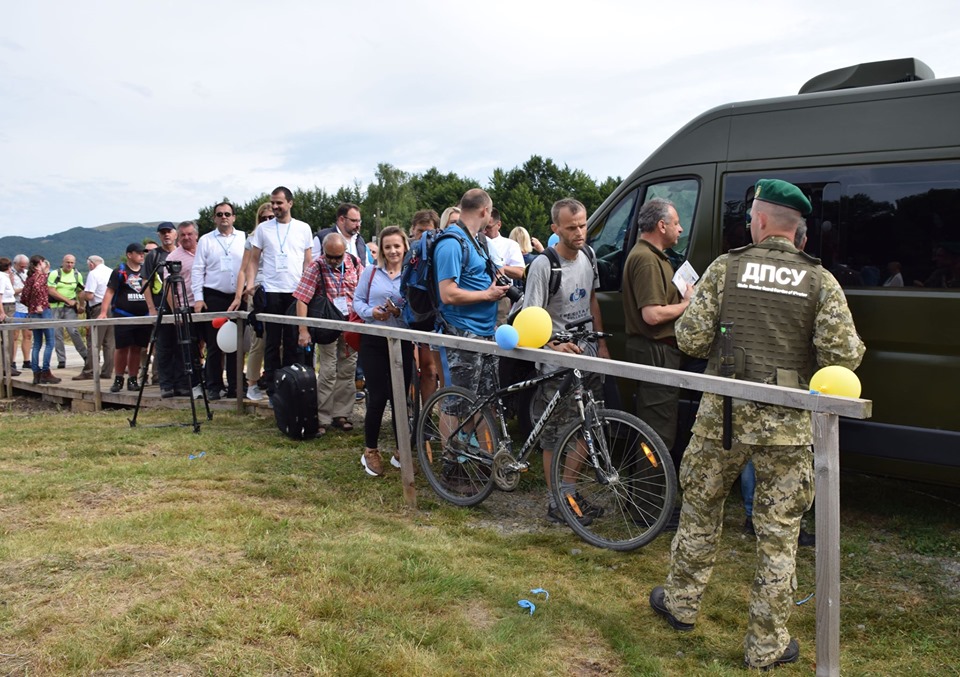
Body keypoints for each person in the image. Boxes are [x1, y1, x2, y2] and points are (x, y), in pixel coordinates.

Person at [649, 179, 866, 671]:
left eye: (752, 217)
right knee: (779, 534)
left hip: (720, 419)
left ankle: (681, 603)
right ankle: (766, 646)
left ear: (761, 221)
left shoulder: (726, 269)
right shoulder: (820, 280)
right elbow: (844, 357)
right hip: (787, 429)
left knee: (701, 513)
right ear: (798, 231)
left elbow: (692, 339)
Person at [522, 198, 608, 523]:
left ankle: (568, 491)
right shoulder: (544, 266)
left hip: (587, 356)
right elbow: (531, 316)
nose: (579, 232)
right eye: (571, 227)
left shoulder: (589, 255)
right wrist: (552, 346)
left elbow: (592, 299)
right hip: (557, 366)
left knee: (590, 427)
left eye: (583, 224)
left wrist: (602, 345)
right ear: (555, 228)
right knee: (555, 436)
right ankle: (556, 503)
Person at [622, 198, 694, 466]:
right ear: (662, 225)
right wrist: (687, 304)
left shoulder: (653, 257)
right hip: (654, 352)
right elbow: (651, 315)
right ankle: (651, 505)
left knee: (657, 428)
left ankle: (651, 501)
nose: (681, 229)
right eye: (676, 223)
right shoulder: (647, 260)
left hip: (658, 351)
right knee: (657, 434)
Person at [352, 225, 414, 475]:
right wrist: (372, 313)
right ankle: (370, 451)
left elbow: (417, 309)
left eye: (397, 246)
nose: (392, 251)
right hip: (374, 340)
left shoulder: (411, 275)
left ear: (404, 247)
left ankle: (402, 452)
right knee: (377, 396)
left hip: (403, 340)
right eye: (387, 246)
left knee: (400, 398)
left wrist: (401, 312)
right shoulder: (370, 272)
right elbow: (357, 301)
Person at [435, 188, 507, 399]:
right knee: (457, 404)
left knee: (484, 402)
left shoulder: (475, 240)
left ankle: (478, 433)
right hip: (462, 333)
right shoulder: (452, 242)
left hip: (483, 332)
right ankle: (454, 434)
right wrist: (488, 295)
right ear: (485, 211)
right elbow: (447, 294)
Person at [244, 187, 313, 390]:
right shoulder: (263, 229)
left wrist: (306, 287)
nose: (275, 206)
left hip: (296, 292)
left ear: (290, 203)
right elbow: (254, 260)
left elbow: (308, 261)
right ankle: (273, 387)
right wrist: (251, 282)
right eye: (273, 202)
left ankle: (291, 384)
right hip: (271, 290)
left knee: (293, 340)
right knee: (272, 340)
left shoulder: (303, 228)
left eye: (279, 203)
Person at [294, 232, 362, 435]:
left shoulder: (355, 263)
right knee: (327, 370)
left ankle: (342, 414)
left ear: (345, 252)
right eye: (329, 256)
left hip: (351, 324)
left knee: (348, 369)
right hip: (326, 325)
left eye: (337, 257)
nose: (333, 261)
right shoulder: (316, 266)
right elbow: (302, 298)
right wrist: (303, 329)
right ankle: (322, 417)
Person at [194, 202, 247, 400]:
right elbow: (198, 269)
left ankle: (235, 386)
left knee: (236, 343)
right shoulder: (206, 240)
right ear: (214, 218)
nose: (224, 217)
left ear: (234, 217)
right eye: (219, 214)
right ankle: (214, 386)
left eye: (227, 214)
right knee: (215, 344)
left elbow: (250, 265)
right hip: (214, 295)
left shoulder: (244, 238)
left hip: (238, 296)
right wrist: (199, 298)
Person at [99, 243, 151, 393]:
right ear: (129, 254)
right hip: (123, 315)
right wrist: (103, 312)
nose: (142, 255)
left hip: (143, 316)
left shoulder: (147, 271)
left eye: (143, 253)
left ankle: (133, 379)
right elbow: (110, 292)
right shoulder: (119, 272)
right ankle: (118, 379)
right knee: (121, 348)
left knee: (137, 348)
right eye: (139, 253)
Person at [235, 202, 273, 400]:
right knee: (258, 340)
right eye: (263, 218)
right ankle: (252, 384)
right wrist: (241, 293)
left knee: (279, 341)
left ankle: (274, 379)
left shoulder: (281, 235)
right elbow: (244, 267)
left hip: (278, 290)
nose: (267, 221)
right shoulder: (252, 238)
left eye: (270, 217)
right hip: (257, 291)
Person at [157, 222, 200, 398]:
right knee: (173, 347)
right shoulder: (173, 257)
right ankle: (168, 384)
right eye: (182, 235)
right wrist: (175, 310)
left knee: (193, 347)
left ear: (196, 234)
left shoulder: (203, 252)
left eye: (189, 234)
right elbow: (169, 287)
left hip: (199, 305)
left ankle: (187, 383)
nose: (186, 238)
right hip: (181, 306)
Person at [409, 209, 443, 404]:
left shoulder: (440, 253)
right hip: (408, 317)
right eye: (420, 230)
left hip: (432, 318)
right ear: (412, 230)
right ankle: (411, 412)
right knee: (410, 370)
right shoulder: (406, 253)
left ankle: (428, 418)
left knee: (430, 370)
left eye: (428, 231)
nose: (423, 236)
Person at [143, 222, 178, 385]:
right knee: (163, 344)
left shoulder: (182, 252)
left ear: (175, 233)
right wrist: (151, 308)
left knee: (182, 343)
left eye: (169, 232)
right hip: (161, 303)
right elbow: (145, 282)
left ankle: (181, 380)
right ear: (159, 236)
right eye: (162, 233)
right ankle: (163, 381)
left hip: (182, 303)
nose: (166, 235)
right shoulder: (153, 256)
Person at [19, 255, 61, 384]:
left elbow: (24, 297)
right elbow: (38, 288)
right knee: (49, 342)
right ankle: (46, 372)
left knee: (37, 343)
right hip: (43, 310)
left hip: (32, 312)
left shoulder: (29, 278)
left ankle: (36, 372)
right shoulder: (41, 276)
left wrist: (31, 305)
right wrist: (39, 304)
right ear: (40, 263)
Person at [73, 255, 115, 381]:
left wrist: (82, 295)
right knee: (110, 342)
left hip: (98, 307)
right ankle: (107, 370)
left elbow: (90, 295)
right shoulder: (111, 271)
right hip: (113, 306)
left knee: (94, 341)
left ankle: (89, 370)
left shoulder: (93, 274)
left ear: (91, 264)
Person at [47, 254, 88, 370]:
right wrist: (67, 300)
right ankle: (61, 360)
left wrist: (81, 305)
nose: (69, 265)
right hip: (56, 306)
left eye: (72, 263)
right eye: (67, 262)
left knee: (73, 331)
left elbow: (80, 291)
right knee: (57, 334)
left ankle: (85, 356)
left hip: (70, 308)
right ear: (63, 262)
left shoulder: (77, 275)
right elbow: (51, 290)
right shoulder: (55, 274)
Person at [10, 254, 32, 372]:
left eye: (25, 266)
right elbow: (11, 291)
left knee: (28, 335)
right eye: (21, 266)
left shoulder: (27, 273)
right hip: (16, 306)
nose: (23, 268)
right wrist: (24, 289)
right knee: (14, 336)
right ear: (15, 264)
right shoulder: (10, 274)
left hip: (27, 307)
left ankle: (27, 360)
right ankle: (12, 361)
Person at [0, 257, 19, 376]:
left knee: (8, 338)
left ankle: (7, 365)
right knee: (8, 338)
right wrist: (2, 312)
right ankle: (7, 366)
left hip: (9, 305)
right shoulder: (2, 277)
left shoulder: (5, 277)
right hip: (7, 307)